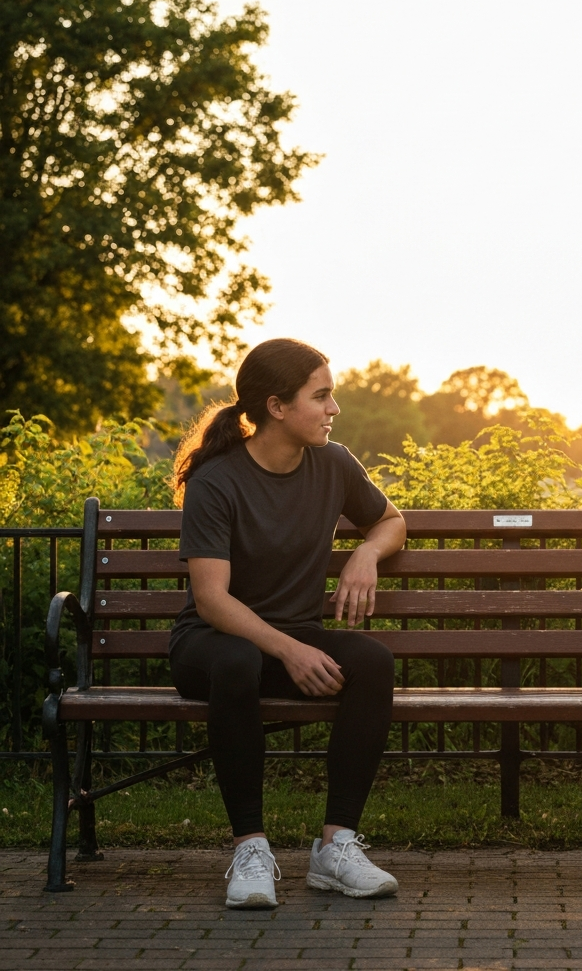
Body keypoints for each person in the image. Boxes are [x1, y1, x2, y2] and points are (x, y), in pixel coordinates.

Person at [169, 338, 407, 909]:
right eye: (321, 396)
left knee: (373, 662)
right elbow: (211, 601)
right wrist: (290, 651)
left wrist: (366, 553)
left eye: (332, 396)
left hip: (286, 643)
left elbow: (392, 521)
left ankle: (336, 847)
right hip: (214, 646)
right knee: (238, 657)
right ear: (277, 407)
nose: (334, 409)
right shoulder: (216, 479)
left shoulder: (333, 463)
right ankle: (250, 849)